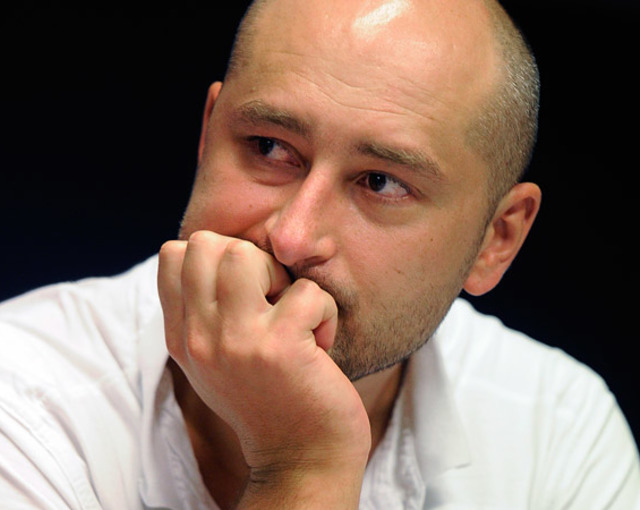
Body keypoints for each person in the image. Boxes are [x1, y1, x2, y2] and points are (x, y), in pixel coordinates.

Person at [0, 0, 638, 508]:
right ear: (207, 134)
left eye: (381, 182)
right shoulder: (22, 395)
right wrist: (302, 467)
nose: (293, 237)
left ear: (497, 239)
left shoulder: (559, 429)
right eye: (269, 147)